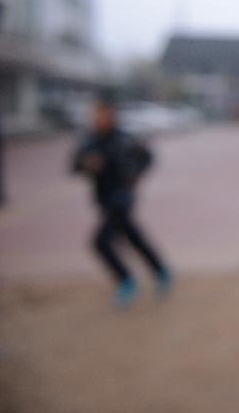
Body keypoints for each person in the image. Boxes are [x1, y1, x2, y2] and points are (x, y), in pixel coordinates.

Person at [72, 96, 171, 308]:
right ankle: (161, 270)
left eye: (105, 115)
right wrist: (86, 164)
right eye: (98, 116)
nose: (101, 119)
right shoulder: (90, 141)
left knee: (100, 242)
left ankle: (126, 279)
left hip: (122, 198)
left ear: (113, 116)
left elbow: (148, 157)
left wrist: (135, 175)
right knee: (132, 236)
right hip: (104, 199)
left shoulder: (124, 139)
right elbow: (74, 165)